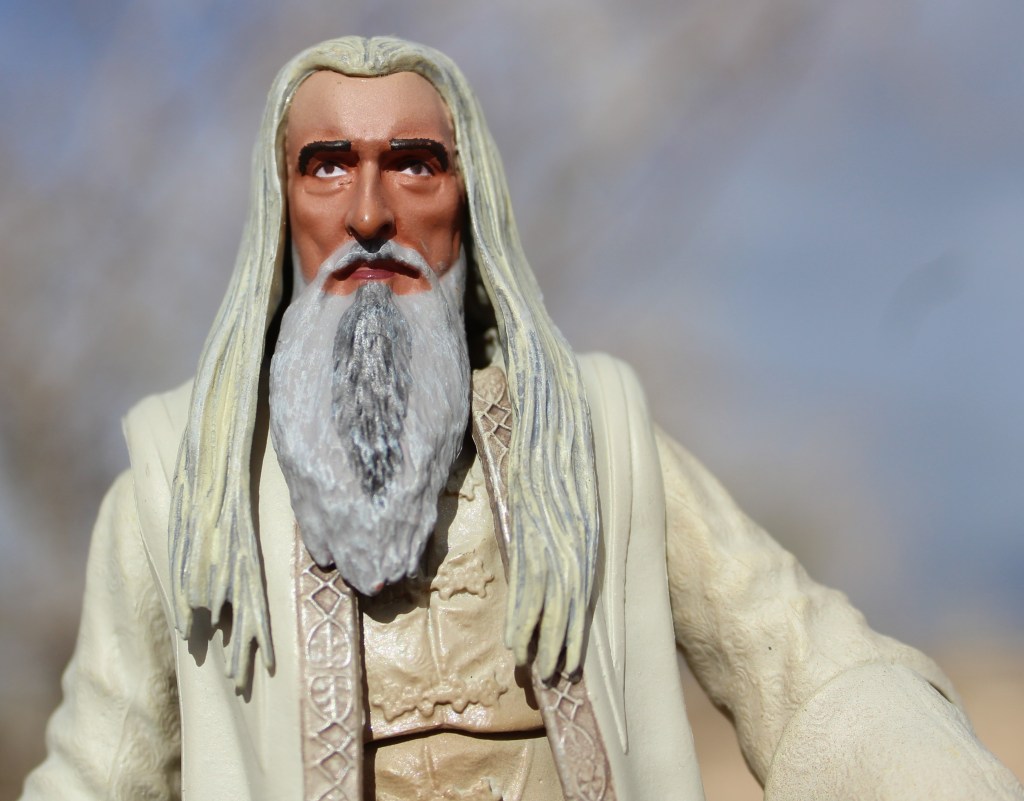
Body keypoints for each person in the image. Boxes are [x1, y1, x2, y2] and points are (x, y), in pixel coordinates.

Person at [18, 36, 1024, 801]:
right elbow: (99, 770)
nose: (369, 214)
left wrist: (922, 766)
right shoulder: (182, 493)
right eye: (326, 165)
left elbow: (800, 663)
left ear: (469, 199)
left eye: (414, 163)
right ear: (281, 208)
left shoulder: (592, 445)